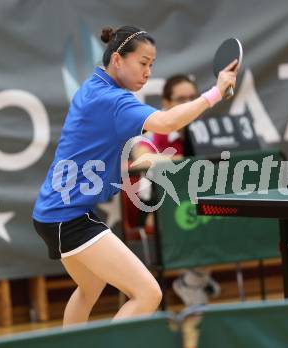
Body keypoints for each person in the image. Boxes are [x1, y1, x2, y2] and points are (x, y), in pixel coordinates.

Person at [32, 25, 237, 327]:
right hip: (68, 217)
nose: (147, 72)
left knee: (90, 288)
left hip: (53, 213)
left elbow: (120, 145)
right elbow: (167, 122)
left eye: (151, 65)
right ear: (117, 59)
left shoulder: (94, 87)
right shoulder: (113, 101)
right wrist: (216, 92)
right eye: (142, 63)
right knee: (147, 293)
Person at [132, 74, 221, 307]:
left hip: (197, 204)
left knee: (223, 215)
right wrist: (182, 162)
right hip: (158, 209)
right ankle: (194, 280)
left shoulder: (208, 133)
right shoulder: (156, 134)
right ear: (166, 104)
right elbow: (141, 158)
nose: (189, 103)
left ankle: (195, 277)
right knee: (204, 218)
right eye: (181, 99)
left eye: (193, 97)